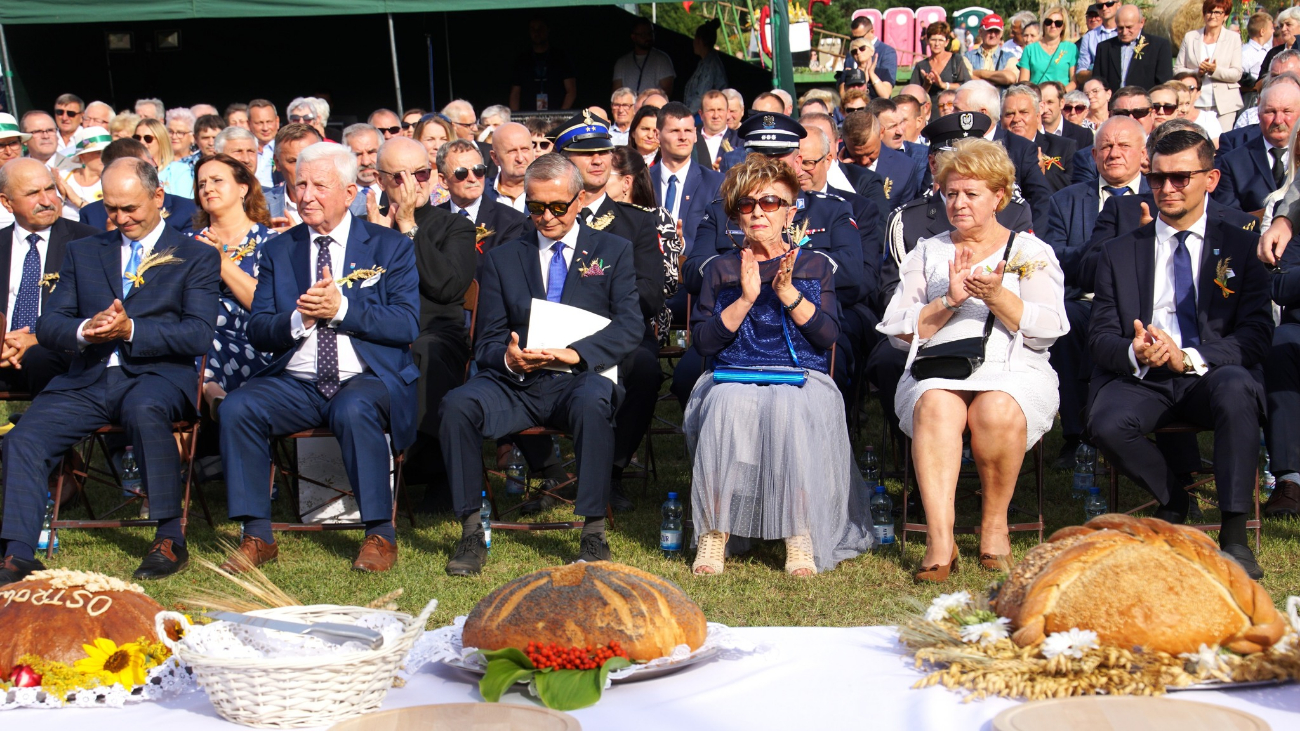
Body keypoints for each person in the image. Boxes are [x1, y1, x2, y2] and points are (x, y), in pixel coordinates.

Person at [0, 157, 220, 584]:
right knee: (23, 438)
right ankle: (19, 551)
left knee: (144, 409)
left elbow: (196, 334)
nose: (121, 218)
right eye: (112, 209)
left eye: (131, 208)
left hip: (157, 376)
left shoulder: (194, 255)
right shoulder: (85, 251)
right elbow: (49, 323)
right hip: (87, 377)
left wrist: (131, 328)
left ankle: (169, 537)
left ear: (158, 198)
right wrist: (85, 329)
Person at [217, 142, 419, 575]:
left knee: (354, 406)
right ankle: (257, 535)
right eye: (299, 183)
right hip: (298, 380)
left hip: (366, 376)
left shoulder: (389, 247)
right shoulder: (278, 250)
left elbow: (405, 324)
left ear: (349, 193)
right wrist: (299, 320)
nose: (305, 195)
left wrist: (341, 309)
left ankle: (379, 533)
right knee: (238, 406)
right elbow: (259, 329)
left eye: (319, 185)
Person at [439, 153, 643, 575]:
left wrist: (578, 353)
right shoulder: (502, 258)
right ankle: (471, 529)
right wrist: (507, 358)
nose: (546, 216)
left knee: (592, 404)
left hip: (580, 377)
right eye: (535, 207)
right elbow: (487, 339)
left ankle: (592, 530)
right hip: (518, 382)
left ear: (580, 199)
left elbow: (629, 326)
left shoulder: (613, 251)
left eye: (557, 206)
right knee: (457, 405)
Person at [878, 138, 1067, 582]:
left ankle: (994, 525)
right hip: (938, 367)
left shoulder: (1029, 252)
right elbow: (898, 330)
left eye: (971, 193)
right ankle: (939, 539)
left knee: (996, 407)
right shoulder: (927, 251)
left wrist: (998, 297)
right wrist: (949, 298)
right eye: (950, 193)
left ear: (999, 196)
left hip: (1014, 366)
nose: (958, 203)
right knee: (938, 405)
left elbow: (1051, 327)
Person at [1087, 129, 1271, 580]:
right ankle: (1174, 498)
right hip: (1144, 377)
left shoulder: (1242, 246)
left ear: (1210, 179)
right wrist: (1134, 351)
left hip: (1209, 370)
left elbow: (1256, 334)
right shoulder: (1119, 251)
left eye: (1180, 178)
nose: (1166, 189)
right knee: (1105, 422)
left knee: (1237, 391)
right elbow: (1099, 336)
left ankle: (1234, 535)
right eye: (1157, 178)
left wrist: (1187, 357)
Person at [684, 154, 872, 577]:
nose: (757, 213)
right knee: (730, 403)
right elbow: (704, 342)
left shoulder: (814, 264)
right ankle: (715, 532)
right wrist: (747, 298)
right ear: (735, 214)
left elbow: (827, 338)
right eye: (747, 205)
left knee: (788, 407)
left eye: (770, 203)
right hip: (734, 373)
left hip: (800, 376)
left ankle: (799, 534)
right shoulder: (720, 268)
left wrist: (787, 294)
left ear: (791, 210)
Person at [870, 114, 1035, 433]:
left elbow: (1021, 282)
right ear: (934, 165)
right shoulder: (909, 220)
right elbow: (892, 292)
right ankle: (916, 453)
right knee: (888, 360)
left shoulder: (1013, 212)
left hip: (994, 324)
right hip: (924, 327)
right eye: (954, 158)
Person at [548, 112, 666, 510]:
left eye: (603, 152)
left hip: (623, 335)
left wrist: (599, 309)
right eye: (586, 154)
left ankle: (610, 473)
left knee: (647, 368)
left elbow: (651, 294)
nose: (598, 160)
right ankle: (549, 469)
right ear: (565, 163)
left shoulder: (636, 223)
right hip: (555, 333)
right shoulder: (543, 219)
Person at [369, 136, 476, 512]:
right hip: (375, 330)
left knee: (422, 350)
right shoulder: (365, 228)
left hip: (436, 334)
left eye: (421, 173)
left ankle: (431, 470)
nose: (413, 183)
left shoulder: (454, 227)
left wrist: (409, 226)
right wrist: (376, 237)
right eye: (399, 177)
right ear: (380, 181)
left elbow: (447, 287)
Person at [1041, 115, 1147, 466]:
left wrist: (1094, 253)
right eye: (1105, 146)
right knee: (1067, 321)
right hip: (1084, 300)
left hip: (1145, 305)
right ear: (1094, 153)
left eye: (1123, 145)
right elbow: (1053, 257)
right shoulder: (1066, 201)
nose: (1113, 153)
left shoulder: (1161, 195)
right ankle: (1077, 436)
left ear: (1143, 154)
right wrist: (1112, 255)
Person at [0, 158, 99, 396]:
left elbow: (96, 313)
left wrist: (35, 339)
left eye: (50, 189)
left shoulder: (90, 242)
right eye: (33, 193)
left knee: (41, 358)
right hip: (3, 353)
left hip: (55, 353)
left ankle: (43, 430)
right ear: (6, 202)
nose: (46, 201)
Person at [189, 153, 274, 411]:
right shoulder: (187, 243)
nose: (208, 188)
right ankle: (210, 397)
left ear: (243, 188)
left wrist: (222, 261)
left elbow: (262, 304)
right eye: (202, 184)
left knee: (202, 339)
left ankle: (212, 393)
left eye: (217, 180)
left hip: (249, 342)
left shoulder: (271, 242)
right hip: (194, 337)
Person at [956, 80, 1055, 231]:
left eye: (958, 110)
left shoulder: (1021, 148)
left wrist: (1029, 241)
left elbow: (1041, 200)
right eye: (1009, 113)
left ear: (982, 113)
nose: (952, 116)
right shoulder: (949, 147)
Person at [608, 145, 682, 346]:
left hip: (646, 315)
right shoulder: (590, 218)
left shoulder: (657, 218)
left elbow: (669, 284)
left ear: (626, 182)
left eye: (606, 174)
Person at [1213, 74, 1300, 216]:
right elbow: (1227, 217)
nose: (1278, 120)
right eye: (1270, 112)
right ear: (1258, 114)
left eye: (1287, 111)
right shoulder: (1233, 162)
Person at [437, 138, 527, 268]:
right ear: (444, 180)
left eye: (478, 170)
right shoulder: (432, 221)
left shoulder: (510, 221)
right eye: (461, 173)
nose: (473, 179)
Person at [77, 138, 198, 233]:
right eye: (145, 170)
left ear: (159, 197)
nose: (121, 218)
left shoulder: (187, 210)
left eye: (153, 167)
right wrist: (113, 241)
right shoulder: (91, 215)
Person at [651, 103, 725, 247]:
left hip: (693, 266)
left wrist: (682, 245)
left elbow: (719, 240)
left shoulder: (715, 184)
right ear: (657, 135)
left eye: (688, 131)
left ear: (695, 135)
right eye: (675, 131)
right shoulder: (642, 180)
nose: (683, 137)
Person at [1176, 0, 1243, 132]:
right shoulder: (1190, 37)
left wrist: (1214, 70)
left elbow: (1236, 73)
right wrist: (1197, 72)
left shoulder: (1233, 38)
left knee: (1222, 144)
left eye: (1218, 12)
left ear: (1226, 15)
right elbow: (1177, 70)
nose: (1213, 16)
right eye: (1209, 12)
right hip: (1195, 102)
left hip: (1224, 106)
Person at [1070, 85, 1154, 185]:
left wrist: (1155, 174)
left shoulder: (1167, 153)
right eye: (1122, 113)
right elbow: (1086, 196)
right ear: (1110, 115)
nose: (1131, 118)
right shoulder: (1087, 158)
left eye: (1139, 112)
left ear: (1152, 115)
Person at [1002, 85, 1077, 193]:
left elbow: (1074, 189)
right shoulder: (992, 150)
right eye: (1009, 114)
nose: (1016, 119)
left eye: (1024, 112)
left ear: (1037, 117)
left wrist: (1043, 174)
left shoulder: (1064, 147)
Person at [1093, 5, 1173, 91]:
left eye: (1129, 27)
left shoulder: (1158, 46)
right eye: (1120, 28)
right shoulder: (1104, 48)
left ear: (1141, 23)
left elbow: (1164, 83)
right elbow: (1097, 82)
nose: (1124, 32)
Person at [262, 123, 324, 228]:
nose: (303, 168)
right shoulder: (260, 206)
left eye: (310, 159)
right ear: (277, 163)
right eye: (293, 161)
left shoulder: (353, 204)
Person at [510, 17, 577, 111]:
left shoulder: (561, 57)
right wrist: (515, 120)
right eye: (533, 29)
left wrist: (560, 117)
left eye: (540, 28)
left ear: (548, 30)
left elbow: (571, 91)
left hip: (556, 115)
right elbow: (515, 93)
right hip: (528, 116)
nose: (536, 32)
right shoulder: (522, 59)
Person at [912, 22, 972, 122]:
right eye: (933, 40)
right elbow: (913, 98)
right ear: (927, 41)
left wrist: (944, 85)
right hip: (930, 117)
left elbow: (967, 86)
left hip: (953, 114)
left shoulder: (956, 60)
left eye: (940, 40)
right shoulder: (921, 66)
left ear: (947, 42)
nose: (937, 44)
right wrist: (926, 85)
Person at [54, 127, 110, 221]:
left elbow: (105, 219)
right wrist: (62, 198)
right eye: (98, 153)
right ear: (82, 155)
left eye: (108, 153)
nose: (105, 157)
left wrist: (77, 200)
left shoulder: (111, 181)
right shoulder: (64, 177)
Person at [613, 17, 675, 98]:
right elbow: (616, 94)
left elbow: (666, 93)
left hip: (651, 109)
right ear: (633, 37)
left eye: (650, 33)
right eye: (643, 34)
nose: (648, 37)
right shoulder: (622, 62)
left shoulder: (663, 59)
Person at [1018, 6, 1077, 89]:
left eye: (1058, 23)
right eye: (1049, 22)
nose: (1053, 25)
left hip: (1062, 98)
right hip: (1037, 97)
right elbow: (1023, 83)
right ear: (1044, 24)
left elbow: (1074, 81)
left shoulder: (1071, 48)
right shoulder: (1030, 50)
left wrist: (1060, 95)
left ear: (1063, 26)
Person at [841, 16, 898, 100]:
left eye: (860, 37)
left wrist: (870, 74)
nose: (855, 41)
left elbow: (887, 88)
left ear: (872, 32)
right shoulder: (851, 53)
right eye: (853, 38)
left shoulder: (887, 51)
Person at [136, 118, 193, 198]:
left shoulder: (179, 171)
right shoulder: (129, 170)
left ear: (161, 140)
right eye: (137, 138)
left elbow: (185, 204)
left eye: (148, 138)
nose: (141, 142)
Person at [489, 122, 535, 213]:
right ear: (495, 157)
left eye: (525, 149)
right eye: (511, 152)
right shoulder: (481, 194)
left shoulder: (549, 190)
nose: (520, 159)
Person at [965, 15, 1020, 92]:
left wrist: (979, 73)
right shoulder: (968, 56)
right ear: (980, 32)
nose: (993, 35)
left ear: (1001, 34)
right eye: (989, 31)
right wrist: (998, 80)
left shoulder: (1009, 57)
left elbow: (1010, 78)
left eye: (996, 31)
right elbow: (966, 78)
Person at [1174, 72, 1225, 145]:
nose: (1186, 92)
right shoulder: (1166, 117)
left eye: (1190, 88)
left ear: (1198, 93)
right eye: (1180, 88)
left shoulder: (1208, 119)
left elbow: (1217, 147)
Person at [1039, 81, 1094, 149]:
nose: (1045, 109)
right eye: (1041, 103)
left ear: (1062, 103)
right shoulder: (1029, 133)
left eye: (1050, 102)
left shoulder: (1083, 135)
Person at [695, 90, 740, 172]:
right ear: (701, 114)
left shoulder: (740, 140)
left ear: (727, 112)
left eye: (720, 110)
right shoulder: (691, 139)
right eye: (711, 110)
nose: (716, 115)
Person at [1076, 0, 1120, 83]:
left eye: (1109, 4)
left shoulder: (1126, 33)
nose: (1104, 8)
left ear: (1118, 4)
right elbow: (1080, 73)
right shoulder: (1088, 38)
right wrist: (1098, 72)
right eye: (1100, 6)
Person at [343, 123, 384, 210]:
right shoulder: (341, 196)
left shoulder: (397, 190)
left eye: (371, 152)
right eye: (357, 155)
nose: (365, 162)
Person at [1241, 12, 1274, 110]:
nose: (1273, 31)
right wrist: (1255, 87)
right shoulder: (1246, 53)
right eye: (1271, 28)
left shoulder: (1268, 50)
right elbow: (1237, 79)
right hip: (1251, 100)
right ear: (1262, 31)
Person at [248, 99, 280, 188]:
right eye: (259, 123)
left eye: (269, 122)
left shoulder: (285, 149)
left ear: (277, 122)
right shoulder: (243, 151)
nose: (265, 128)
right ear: (249, 124)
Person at [52, 94, 83, 158]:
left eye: (71, 113)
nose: (64, 118)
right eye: (60, 112)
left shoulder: (89, 138)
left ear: (82, 117)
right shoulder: (48, 137)